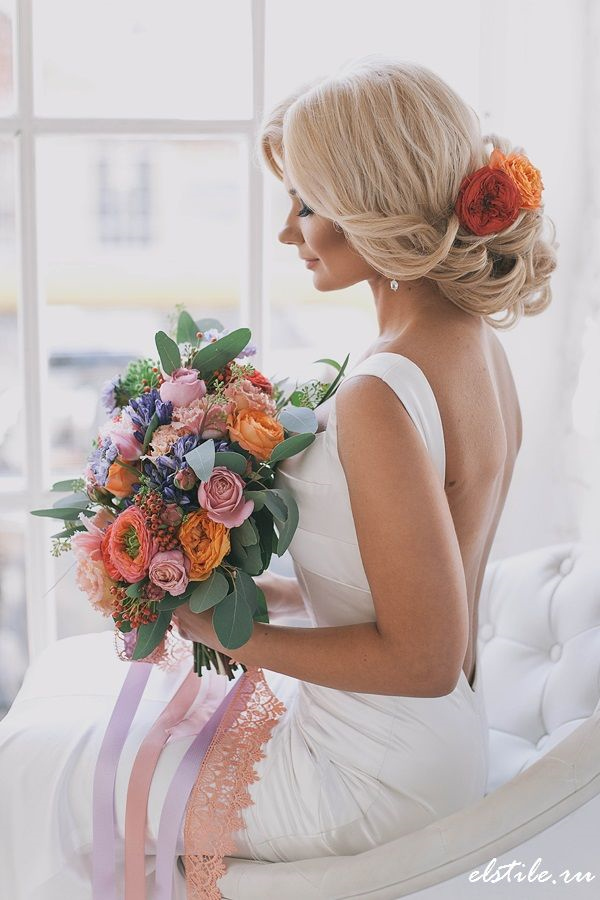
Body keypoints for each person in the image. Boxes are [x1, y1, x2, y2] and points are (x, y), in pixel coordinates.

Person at [0, 54, 557, 900]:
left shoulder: (378, 395)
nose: (288, 231)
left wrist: (228, 636)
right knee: (77, 711)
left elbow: (427, 655)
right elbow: (409, 593)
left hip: (376, 772)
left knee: (50, 773)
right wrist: (250, 595)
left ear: (372, 208)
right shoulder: (478, 347)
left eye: (306, 202)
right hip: (432, 740)